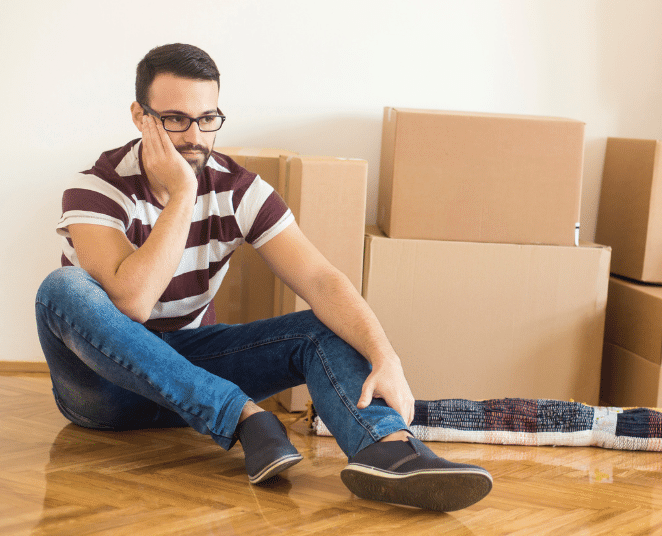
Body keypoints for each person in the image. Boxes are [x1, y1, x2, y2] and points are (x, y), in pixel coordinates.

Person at [34, 43, 492, 513]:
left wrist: (384, 354)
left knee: (320, 326)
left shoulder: (240, 189)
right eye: (175, 119)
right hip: (105, 391)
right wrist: (183, 194)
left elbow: (319, 279)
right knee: (61, 290)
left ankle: (389, 450)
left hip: (194, 369)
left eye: (207, 118)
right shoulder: (97, 187)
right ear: (141, 116)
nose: (194, 137)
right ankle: (242, 416)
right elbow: (133, 302)